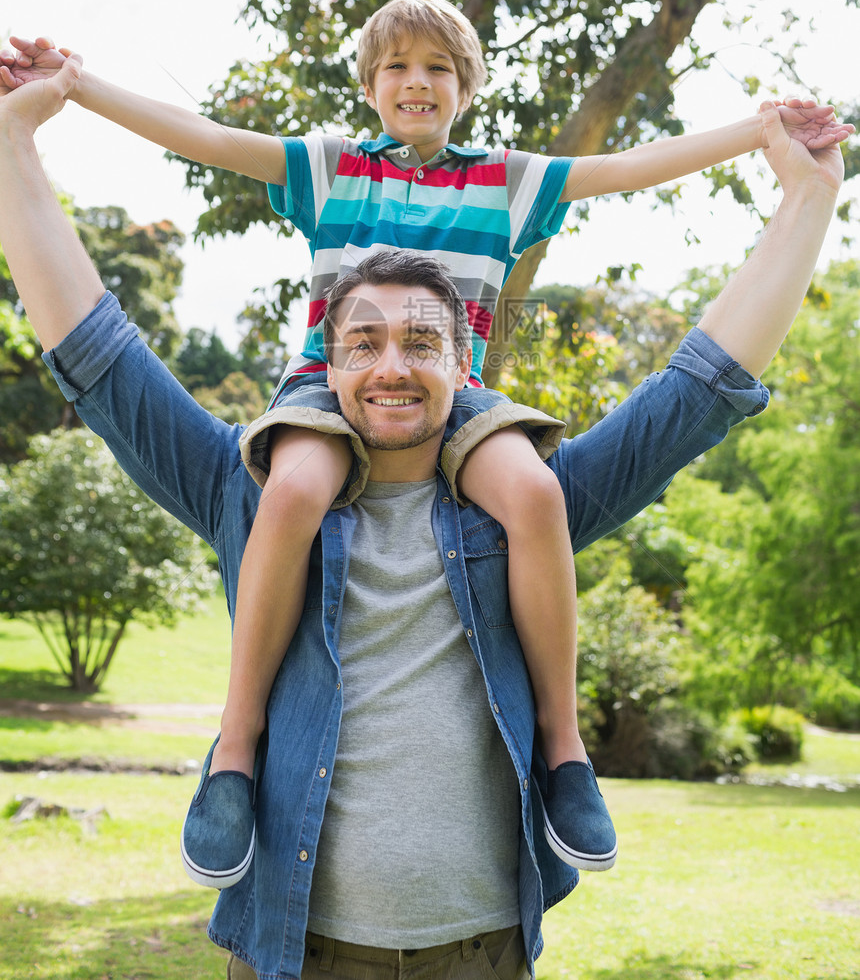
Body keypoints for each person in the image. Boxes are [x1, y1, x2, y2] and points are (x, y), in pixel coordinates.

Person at [0, 56, 848, 979]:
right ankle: (229, 761)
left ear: (465, 361)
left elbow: (702, 387)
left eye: (423, 341)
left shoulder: (530, 508)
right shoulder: (248, 490)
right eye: (362, 342)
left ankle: (572, 760)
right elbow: (95, 350)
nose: (392, 365)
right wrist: (11, 143)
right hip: (295, 951)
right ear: (327, 362)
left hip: (480, 953)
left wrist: (809, 201)